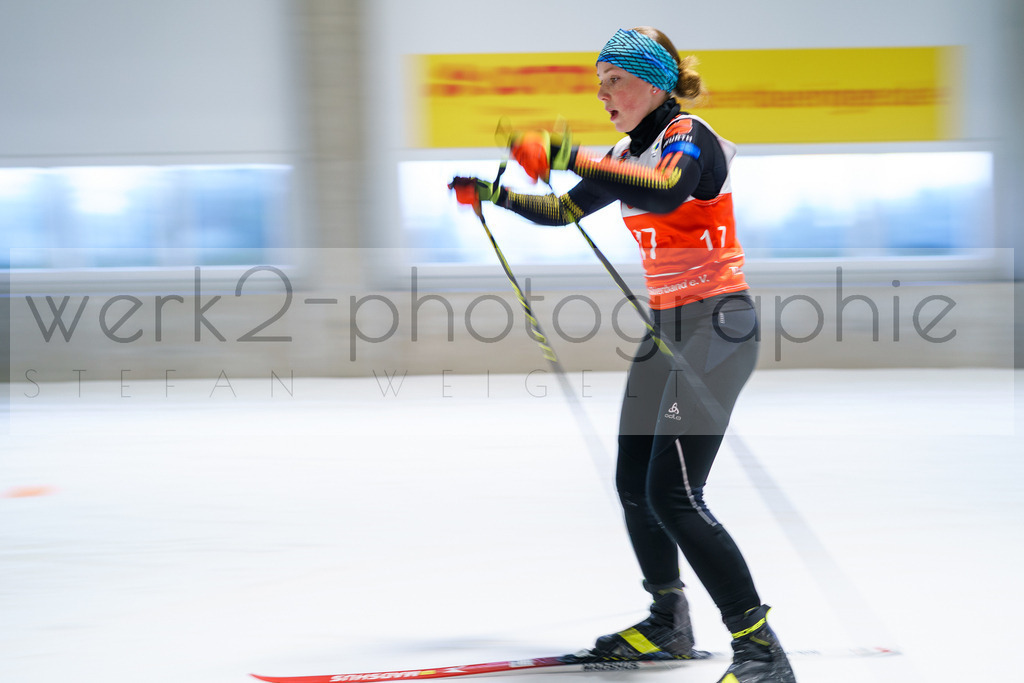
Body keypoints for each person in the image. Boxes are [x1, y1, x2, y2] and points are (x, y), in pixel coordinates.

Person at [450, 26, 796, 683]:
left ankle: (760, 649)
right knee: (633, 482)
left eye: (616, 79)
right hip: (667, 330)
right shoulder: (624, 151)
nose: (602, 91)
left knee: (672, 491)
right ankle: (668, 620)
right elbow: (562, 208)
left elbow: (665, 189)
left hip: (717, 328)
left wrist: (561, 150)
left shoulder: (687, 135)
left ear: (657, 81)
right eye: (598, 80)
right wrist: (495, 195)